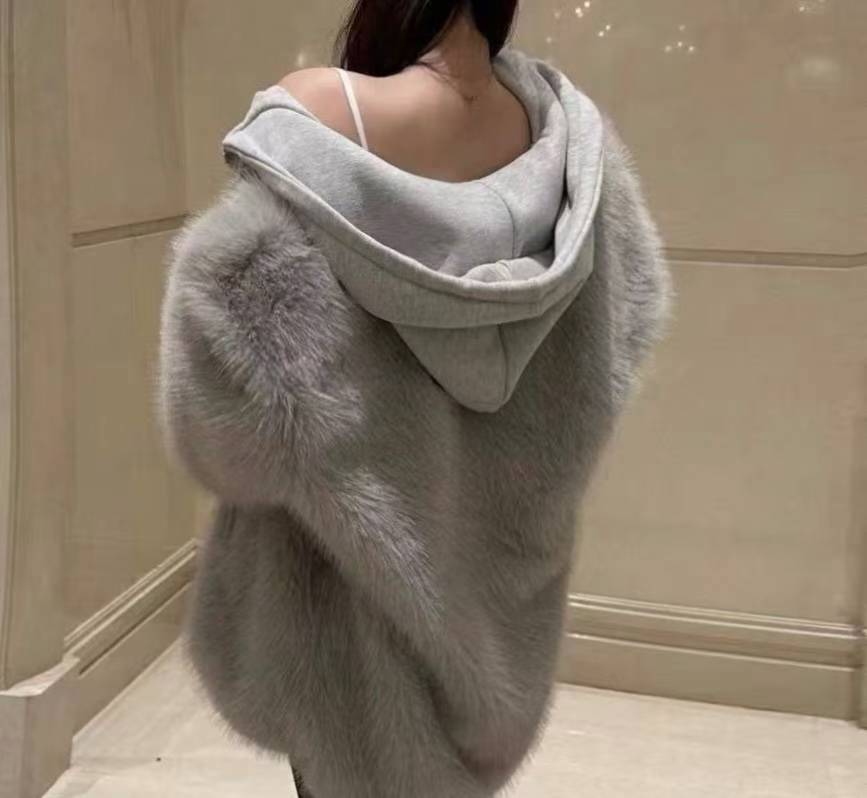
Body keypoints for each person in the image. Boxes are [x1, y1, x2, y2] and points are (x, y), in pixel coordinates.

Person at [156, 1, 673, 796]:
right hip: (494, 612)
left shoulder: (320, 113)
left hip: (343, 637)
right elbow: (623, 328)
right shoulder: (563, 141)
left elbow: (223, 439)